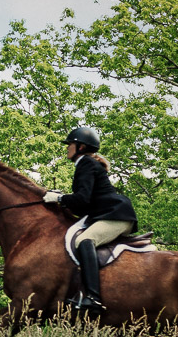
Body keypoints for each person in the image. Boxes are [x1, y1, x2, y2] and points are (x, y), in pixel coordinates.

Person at [41, 125, 137, 313]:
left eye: (70, 144)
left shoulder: (85, 163)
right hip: (110, 213)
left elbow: (82, 199)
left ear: (81, 147)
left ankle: (93, 298)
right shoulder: (87, 164)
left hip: (115, 214)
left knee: (85, 240)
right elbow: (83, 203)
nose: (67, 147)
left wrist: (59, 198)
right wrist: (63, 199)